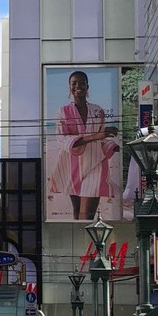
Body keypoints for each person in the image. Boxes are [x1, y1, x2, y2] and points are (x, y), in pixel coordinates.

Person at [50, 70, 120, 221]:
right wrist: (96, 136)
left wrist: (113, 145)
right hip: (72, 165)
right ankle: (81, 243)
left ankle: (88, 242)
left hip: (96, 163)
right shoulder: (63, 111)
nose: (78, 86)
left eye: (81, 82)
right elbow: (62, 138)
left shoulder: (98, 110)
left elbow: (101, 138)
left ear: (88, 85)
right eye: (74, 83)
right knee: (77, 211)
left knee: (86, 214)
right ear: (69, 87)